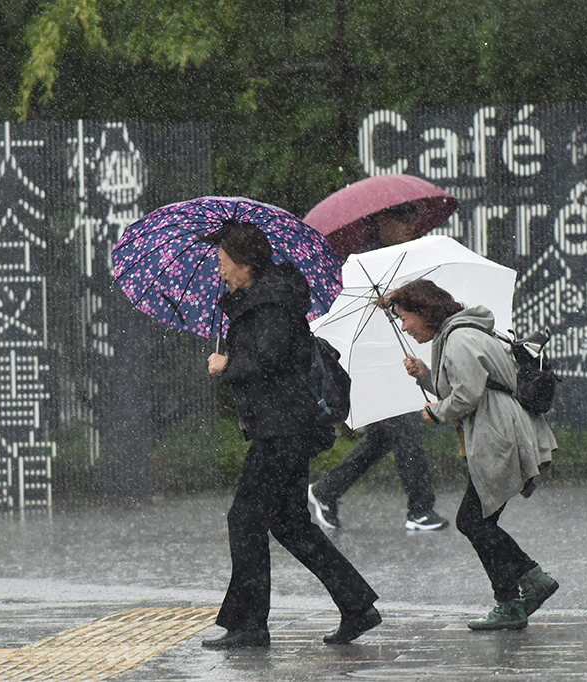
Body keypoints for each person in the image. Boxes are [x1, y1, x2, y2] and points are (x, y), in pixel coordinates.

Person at [200, 221, 381, 649]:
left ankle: (249, 625)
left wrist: (228, 367)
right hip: (284, 427)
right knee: (289, 523)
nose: (221, 271)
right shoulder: (260, 300)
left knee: (245, 518)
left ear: (245, 264)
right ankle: (356, 605)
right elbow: (268, 358)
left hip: (285, 430)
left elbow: (271, 360)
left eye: (225, 263)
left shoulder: (272, 303)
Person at [381, 278, 559, 631]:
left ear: (423, 311)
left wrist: (436, 412)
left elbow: (465, 395)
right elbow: (461, 383)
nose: (404, 326)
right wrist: (425, 375)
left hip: (498, 435)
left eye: (405, 317)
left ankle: (523, 588)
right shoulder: (457, 335)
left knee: (472, 521)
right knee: (480, 521)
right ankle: (517, 593)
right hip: (499, 431)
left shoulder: (459, 339)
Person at [308, 203, 450, 532]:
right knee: (406, 432)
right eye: (404, 218)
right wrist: (379, 306)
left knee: (384, 438)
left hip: (394, 363)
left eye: (413, 217)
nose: (411, 224)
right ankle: (420, 509)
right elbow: (345, 313)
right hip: (371, 365)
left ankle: (325, 490)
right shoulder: (363, 263)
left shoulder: (405, 258)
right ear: (383, 220)